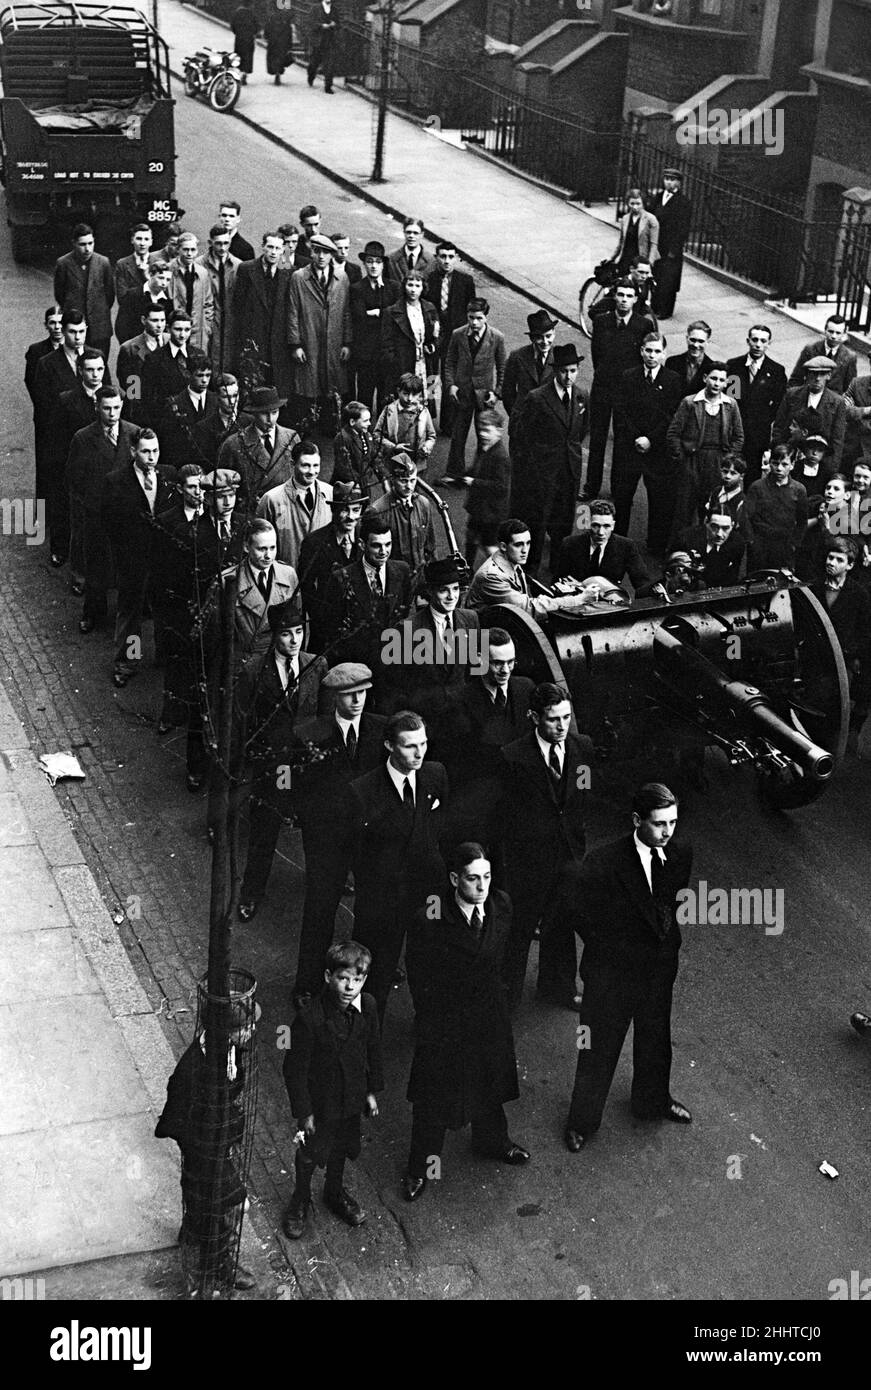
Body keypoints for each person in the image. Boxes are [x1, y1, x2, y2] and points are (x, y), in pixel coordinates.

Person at [563, 783, 693, 1152]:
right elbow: (577, 913)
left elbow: (673, 901)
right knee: (598, 1049)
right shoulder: (605, 863)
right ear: (637, 821)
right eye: (658, 824)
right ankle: (582, 1122)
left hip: (657, 969)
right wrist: (613, 947)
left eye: (673, 822)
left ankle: (652, 1101)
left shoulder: (680, 851)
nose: (667, 833)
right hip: (612, 974)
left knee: (655, 1039)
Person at [402, 843, 529, 1203]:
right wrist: (430, 1018)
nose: (482, 886)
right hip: (446, 1018)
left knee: (489, 1078)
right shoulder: (431, 916)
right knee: (434, 1095)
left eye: (487, 877)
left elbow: (506, 956)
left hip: (488, 1013)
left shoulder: (500, 905)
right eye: (473, 879)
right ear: (455, 878)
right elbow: (418, 973)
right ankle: (421, 1166)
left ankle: (492, 1141)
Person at [290, 666, 387, 1005]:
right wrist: (316, 832)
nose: (358, 699)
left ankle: (365, 973)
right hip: (328, 838)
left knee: (371, 906)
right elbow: (301, 793)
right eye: (349, 694)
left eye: (362, 692)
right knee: (320, 909)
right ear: (334, 696)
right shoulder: (311, 736)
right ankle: (307, 983)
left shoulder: (379, 728)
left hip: (367, 836)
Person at [154, 994, 260, 1292]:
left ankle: (197, 1235)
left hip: (216, 1139)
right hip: (203, 1145)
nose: (251, 1030)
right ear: (223, 1032)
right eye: (245, 1026)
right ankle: (214, 1262)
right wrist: (206, 1145)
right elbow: (179, 1116)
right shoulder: (193, 1070)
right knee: (234, 1204)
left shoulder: (228, 1051)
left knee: (209, 1201)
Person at [349, 711, 448, 1022]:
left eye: (423, 744)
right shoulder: (363, 791)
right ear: (390, 745)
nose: (419, 753)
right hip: (384, 899)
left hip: (426, 892)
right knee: (376, 977)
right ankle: (367, 1042)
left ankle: (428, 1023)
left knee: (428, 962)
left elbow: (438, 825)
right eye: (409, 746)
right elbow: (355, 852)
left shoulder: (435, 774)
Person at [282, 941, 383, 1239]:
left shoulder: (369, 1007)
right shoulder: (310, 1018)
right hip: (322, 1102)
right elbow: (295, 1068)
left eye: (358, 979)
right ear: (328, 976)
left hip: (350, 1098)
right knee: (310, 1154)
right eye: (343, 978)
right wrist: (305, 1112)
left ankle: (334, 1192)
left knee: (342, 1148)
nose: (350, 986)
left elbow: (372, 1050)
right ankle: (299, 1200)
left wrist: (370, 1091)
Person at [499, 683, 587, 1010]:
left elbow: (581, 796)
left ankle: (558, 988)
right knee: (518, 931)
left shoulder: (582, 748)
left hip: (567, 855)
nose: (562, 726)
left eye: (566, 717)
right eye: (553, 720)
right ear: (534, 717)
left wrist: (577, 847)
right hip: (528, 861)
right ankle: (506, 999)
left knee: (561, 923)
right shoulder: (513, 757)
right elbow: (504, 815)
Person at [236, 597, 325, 915]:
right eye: (287, 633)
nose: (294, 640)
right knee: (264, 831)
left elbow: (321, 716)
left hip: (305, 763)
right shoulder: (254, 671)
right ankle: (251, 891)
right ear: (274, 635)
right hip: (271, 764)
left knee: (316, 828)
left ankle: (325, 878)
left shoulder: (316, 664)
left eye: (299, 632)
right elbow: (243, 721)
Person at [440, 629, 533, 854]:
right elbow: (457, 762)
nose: (506, 670)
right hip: (484, 803)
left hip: (525, 797)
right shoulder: (459, 702)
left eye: (511, 662)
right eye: (498, 663)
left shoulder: (526, 688)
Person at [101, 427, 177, 688]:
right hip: (133, 561)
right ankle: (128, 661)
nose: (152, 456)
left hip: (163, 559)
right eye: (145, 451)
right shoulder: (116, 481)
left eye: (155, 451)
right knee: (132, 613)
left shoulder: (168, 476)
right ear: (133, 451)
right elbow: (109, 522)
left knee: (164, 609)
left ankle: (164, 655)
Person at [511, 343, 588, 572]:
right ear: (555, 371)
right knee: (538, 523)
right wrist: (532, 468)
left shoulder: (582, 396)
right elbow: (523, 435)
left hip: (569, 471)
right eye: (564, 371)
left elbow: (582, 431)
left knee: (563, 525)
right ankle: (529, 572)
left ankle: (558, 569)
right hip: (543, 474)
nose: (568, 376)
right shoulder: (537, 397)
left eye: (573, 371)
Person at [385, 556, 480, 743]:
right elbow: (394, 687)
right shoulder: (404, 629)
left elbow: (477, 670)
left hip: (464, 722)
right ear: (430, 591)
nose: (452, 597)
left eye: (455, 589)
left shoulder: (471, 619)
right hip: (425, 727)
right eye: (443, 590)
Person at [68, 386, 138, 635]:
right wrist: (91, 502)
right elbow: (74, 478)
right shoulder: (83, 438)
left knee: (128, 567)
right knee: (96, 567)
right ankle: (93, 614)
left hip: (126, 514)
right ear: (96, 407)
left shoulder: (133, 434)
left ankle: (129, 618)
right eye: (106, 408)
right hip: (97, 514)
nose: (112, 413)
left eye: (116, 407)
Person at [611, 331, 683, 553]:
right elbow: (621, 412)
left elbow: (671, 416)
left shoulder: (673, 380)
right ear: (641, 351)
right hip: (630, 449)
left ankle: (656, 546)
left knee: (659, 499)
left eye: (657, 351)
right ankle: (617, 541)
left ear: (664, 354)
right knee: (622, 498)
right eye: (648, 350)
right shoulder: (628, 376)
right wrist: (636, 438)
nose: (652, 355)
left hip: (657, 450)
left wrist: (651, 439)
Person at [318, 510, 412, 681]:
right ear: (362, 545)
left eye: (388, 544)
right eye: (376, 545)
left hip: (393, 667)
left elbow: (405, 616)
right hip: (358, 668)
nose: (384, 551)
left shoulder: (402, 571)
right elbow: (332, 631)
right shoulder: (341, 579)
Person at [585, 279, 651, 500]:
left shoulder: (643, 326)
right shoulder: (602, 321)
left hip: (626, 394)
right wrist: (603, 375)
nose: (624, 300)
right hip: (603, 388)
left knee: (622, 441)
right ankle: (591, 486)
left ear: (635, 299)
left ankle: (616, 488)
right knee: (597, 439)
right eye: (620, 295)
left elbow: (642, 360)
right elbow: (597, 355)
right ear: (615, 296)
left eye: (628, 296)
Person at [666, 361, 745, 536]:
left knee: (712, 510)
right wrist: (682, 459)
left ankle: (705, 551)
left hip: (718, 464)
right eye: (713, 378)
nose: (717, 383)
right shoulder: (690, 403)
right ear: (705, 378)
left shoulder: (731, 405)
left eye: (721, 380)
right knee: (684, 511)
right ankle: (679, 553)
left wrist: (728, 461)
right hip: (692, 462)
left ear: (726, 383)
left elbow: (739, 437)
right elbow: (673, 434)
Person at [287, 233, 352, 427]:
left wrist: (347, 342)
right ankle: (307, 424)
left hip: (334, 339)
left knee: (332, 381)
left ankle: (329, 424)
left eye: (326, 253)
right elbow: (293, 312)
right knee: (308, 382)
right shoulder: (299, 277)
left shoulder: (341, 278)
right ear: (311, 253)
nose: (321, 257)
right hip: (310, 337)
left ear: (332, 255)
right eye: (317, 252)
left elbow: (347, 311)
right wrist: (295, 344)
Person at [808, 537, 871, 730]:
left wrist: (852, 654)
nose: (831, 563)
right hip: (814, 661)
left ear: (850, 566)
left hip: (844, 663)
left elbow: (865, 632)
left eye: (839, 560)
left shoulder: (859, 594)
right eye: (830, 557)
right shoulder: (813, 589)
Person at [297, 482, 367, 653]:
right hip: (326, 632)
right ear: (334, 510)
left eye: (356, 510)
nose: (351, 517)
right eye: (345, 510)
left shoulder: (365, 539)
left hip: (360, 629)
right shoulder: (315, 543)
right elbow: (305, 587)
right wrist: (321, 617)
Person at [443, 298, 506, 483]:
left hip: (484, 396)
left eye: (479, 318)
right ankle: (454, 473)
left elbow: (502, 367)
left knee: (484, 435)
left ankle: (480, 475)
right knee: (458, 435)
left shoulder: (497, 338)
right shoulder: (458, 334)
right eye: (471, 318)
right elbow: (449, 362)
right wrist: (451, 384)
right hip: (462, 393)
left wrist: (497, 392)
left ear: (486, 317)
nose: (474, 323)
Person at [465, 517, 570, 618]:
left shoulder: (512, 561)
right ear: (503, 546)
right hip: (486, 632)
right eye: (518, 545)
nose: (525, 550)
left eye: (528, 543)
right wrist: (576, 600)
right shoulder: (491, 576)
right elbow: (528, 609)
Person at [232, 231, 293, 400]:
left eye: (278, 248)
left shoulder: (288, 272)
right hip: (253, 338)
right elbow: (238, 306)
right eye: (270, 247)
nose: (273, 252)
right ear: (263, 247)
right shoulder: (247, 268)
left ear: (283, 251)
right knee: (252, 387)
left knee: (276, 387)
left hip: (277, 341)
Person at [724, 326, 788, 487]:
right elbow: (732, 398)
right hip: (735, 430)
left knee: (752, 473)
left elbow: (779, 404)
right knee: (730, 469)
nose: (758, 345)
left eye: (763, 341)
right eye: (754, 340)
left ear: (769, 343)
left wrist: (764, 420)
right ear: (748, 341)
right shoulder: (734, 366)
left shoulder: (776, 371)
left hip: (758, 433)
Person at [555, 499, 659, 596]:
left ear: (613, 525)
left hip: (609, 603)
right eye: (595, 525)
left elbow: (642, 582)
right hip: (577, 602)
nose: (601, 532)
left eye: (606, 526)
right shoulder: (570, 544)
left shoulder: (626, 546)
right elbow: (558, 581)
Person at [256, 439, 333, 569]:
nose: (312, 471)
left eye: (316, 466)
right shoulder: (272, 500)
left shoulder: (330, 493)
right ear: (292, 465)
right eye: (305, 465)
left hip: (323, 578)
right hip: (287, 577)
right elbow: (258, 542)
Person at [217, 385, 300, 504]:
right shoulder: (234, 444)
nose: (270, 419)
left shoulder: (292, 438)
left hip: (287, 507)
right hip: (252, 513)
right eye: (264, 414)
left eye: (274, 412)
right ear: (254, 414)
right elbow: (223, 486)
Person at [424, 242, 476, 432]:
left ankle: (448, 421)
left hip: (455, 336)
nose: (446, 261)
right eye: (443, 256)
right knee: (430, 377)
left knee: (450, 378)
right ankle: (427, 417)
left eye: (450, 257)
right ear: (437, 257)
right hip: (434, 336)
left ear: (456, 258)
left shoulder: (465, 281)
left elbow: (472, 310)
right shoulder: (429, 279)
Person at [233, 520, 299, 663]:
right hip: (246, 666)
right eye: (262, 549)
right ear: (246, 547)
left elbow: (298, 623)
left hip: (280, 660)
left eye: (272, 548)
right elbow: (219, 638)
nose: (268, 555)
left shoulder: (288, 575)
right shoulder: (230, 581)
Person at [53, 223, 114, 361]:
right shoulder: (63, 264)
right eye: (82, 244)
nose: (87, 249)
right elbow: (60, 295)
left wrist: (97, 312)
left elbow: (109, 296)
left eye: (90, 243)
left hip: (100, 329)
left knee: (98, 368)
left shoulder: (103, 262)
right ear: (74, 243)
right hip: (76, 328)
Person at [772, 355, 847, 467]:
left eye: (822, 374)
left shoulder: (837, 402)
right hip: (790, 456)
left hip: (819, 460)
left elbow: (837, 440)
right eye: (813, 373)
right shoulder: (792, 395)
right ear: (807, 374)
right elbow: (779, 426)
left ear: (829, 375)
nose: (817, 378)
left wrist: (831, 467)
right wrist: (779, 454)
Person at [349, 240, 397, 412]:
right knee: (365, 397)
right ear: (364, 263)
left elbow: (396, 316)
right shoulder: (357, 288)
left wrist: (377, 312)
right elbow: (359, 316)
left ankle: (384, 433)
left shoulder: (393, 288)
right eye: (369, 262)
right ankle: (364, 433)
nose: (373, 266)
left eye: (377, 262)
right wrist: (384, 313)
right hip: (366, 355)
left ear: (383, 264)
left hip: (387, 354)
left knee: (387, 397)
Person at [744, 444, 808, 570]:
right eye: (775, 463)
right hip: (760, 545)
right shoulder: (757, 487)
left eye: (784, 464)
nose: (779, 468)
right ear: (770, 463)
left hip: (784, 546)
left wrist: (794, 544)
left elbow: (802, 521)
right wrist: (752, 541)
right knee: (757, 581)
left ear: (792, 465)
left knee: (781, 584)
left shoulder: (799, 490)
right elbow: (746, 517)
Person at [371, 452, 437, 570]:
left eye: (412, 480)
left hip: (420, 576)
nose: (409, 487)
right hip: (394, 578)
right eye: (403, 481)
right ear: (392, 480)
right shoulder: (378, 510)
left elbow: (430, 546)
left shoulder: (423, 504)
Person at [25, 305, 64, 504]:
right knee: (45, 464)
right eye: (52, 323)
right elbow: (32, 384)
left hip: (70, 416)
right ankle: (43, 512)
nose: (57, 327)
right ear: (46, 326)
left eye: (60, 323)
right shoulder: (36, 351)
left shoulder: (77, 349)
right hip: (46, 417)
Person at [464, 409, 511, 569]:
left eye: (487, 430)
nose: (483, 434)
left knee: (489, 544)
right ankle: (467, 568)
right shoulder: (486, 447)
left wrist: (473, 482)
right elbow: (478, 467)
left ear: (499, 431)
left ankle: (503, 571)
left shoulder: (500, 456)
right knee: (471, 536)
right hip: (480, 508)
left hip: (491, 512)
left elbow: (501, 487)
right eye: (481, 430)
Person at [381, 270, 439, 398]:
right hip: (403, 364)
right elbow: (386, 343)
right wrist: (395, 363)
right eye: (410, 285)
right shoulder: (392, 311)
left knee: (426, 399)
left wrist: (432, 346)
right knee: (406, 401)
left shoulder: (430, 309)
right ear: (404, 286)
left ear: (423, 288)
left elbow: (436, 335)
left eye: (417, 286)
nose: (413, 290)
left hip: (425, 364)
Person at [159, 349, 217, 471]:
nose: (205, 380)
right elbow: (168, 443)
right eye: (200, 375)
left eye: (208, 375)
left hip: (212, 467)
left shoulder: (216, 401)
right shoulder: (174, 403)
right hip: (185, 468)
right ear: (188, 374)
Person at [501, 309, 557, 428]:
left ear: (554, 334)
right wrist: (516, 416)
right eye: (539, 338)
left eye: (549, 336)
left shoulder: (560, 357)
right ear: (531, 338)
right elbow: (507, 391)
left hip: (548, 427)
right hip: (522, 425)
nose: (545, 342)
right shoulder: (517, 356)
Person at [648, 167, 691, 318]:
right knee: (655, 275)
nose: (669, 182)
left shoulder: (683, 202)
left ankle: (665, 310)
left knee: (668, 280)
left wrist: (674, 249)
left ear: (679, 183)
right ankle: (654, 307)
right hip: (656, 244)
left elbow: (683, 228)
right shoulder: (658, 197)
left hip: (671, 247)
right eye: (666, 179)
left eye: (672, 180)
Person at [140, 309, 193, 432]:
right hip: (166, 424)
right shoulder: (154, 359)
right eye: (178, 329)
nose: (182, 335)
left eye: (187, 330)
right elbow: (147, 397)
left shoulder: (198, 355)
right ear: (168, 329)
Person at [199, 225, 241, 376]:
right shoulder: (199, 265)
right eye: (218, 243)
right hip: (207, 322)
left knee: (229, 361)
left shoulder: (238, 266)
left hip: (230, 322)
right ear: (210, 243)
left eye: (226, 243)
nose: (222, 248)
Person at [372, 373, 436, 470]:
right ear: (398, 391)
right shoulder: (389, 410)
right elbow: (377, 434)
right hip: (393, 461)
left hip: (417, 462)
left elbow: (431, 436)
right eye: (405, 394)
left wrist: (426, 447)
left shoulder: (423, 411)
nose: (410, 398)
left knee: (413, 483)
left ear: (419, 394)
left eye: (414, 395)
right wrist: (393, 447)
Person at [117, 303, 167, 426]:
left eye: (162, 320)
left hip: (168, 410)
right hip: (143, 411)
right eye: (154, 320)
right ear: (144, 320)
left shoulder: (171, 342)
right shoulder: (129, 348)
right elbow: (130, 387)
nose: (159, 325)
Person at [193, 372, 252, 471]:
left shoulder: (250, 422)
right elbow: (205, 462)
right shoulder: (203, 428)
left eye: (235, 396)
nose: (232, 402)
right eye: (226, 397)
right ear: (216, 397)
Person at [789, 316, 857, 396]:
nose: (834, 336)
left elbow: (850, 388)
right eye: (831, 332)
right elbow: (796, 379)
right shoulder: (810, 350)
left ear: (844, 334)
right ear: (825, 330)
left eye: (838, 333)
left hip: (832, 404)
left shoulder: (849, 357)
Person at [677, 509, 746, 587]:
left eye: (725, 528)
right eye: (714, 527)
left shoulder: (737, 543)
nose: (719, 534)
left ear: (732, 525)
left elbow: (733, 578)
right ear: (706, 522)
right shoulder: (686, 539)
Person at [114, 223, 154, 345]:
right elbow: (122, 297)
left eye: (146, 239)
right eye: (139, 238)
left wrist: (148, 278)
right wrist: (148, 285)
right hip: (128, 324)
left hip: (152, 323)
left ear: (151, 242)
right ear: (132, 240)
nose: (142, 243)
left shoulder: (158, 263)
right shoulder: (123, 264)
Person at [612, 188, 659, 275]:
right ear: (628, 203)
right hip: (625, 258)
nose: (635, 207)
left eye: (638, 204)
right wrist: (612, 257)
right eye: (632, 203)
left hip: (641, 261)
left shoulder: (651, 219)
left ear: (643, 203)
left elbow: (654, 244)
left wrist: (649, 263)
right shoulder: (625, 219)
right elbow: (621, 242)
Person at [332, 401, 376, 491]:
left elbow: (373, 456)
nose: (369, 424)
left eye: (369, 420)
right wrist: (357, 482)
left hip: (363, 483)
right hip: (347, 486)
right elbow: (344, 467)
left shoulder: (366, 435)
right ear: (352, 422)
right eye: (365, 421)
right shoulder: (342, 438)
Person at [666, 321, 715, 397]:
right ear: (687, 339)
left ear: (708, 342)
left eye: (701, 341)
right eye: (693, 340)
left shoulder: (712, 368)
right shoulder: (672, 362)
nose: (696, 345)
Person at [386, 216, 434, 285]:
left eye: (415, 233)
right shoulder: (391, 258)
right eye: (408, 232)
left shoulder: (431, 260)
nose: (411, 236)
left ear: (422, 235)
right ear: (404, 233)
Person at [307, 0, 341, 94]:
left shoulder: (335, 10)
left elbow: (339, 24)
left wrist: (335, 25)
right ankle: (311, 76)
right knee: (314, 63)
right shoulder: (315, 9)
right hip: (318, 42)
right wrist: (321, 26)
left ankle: (328, 86)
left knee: (329, 64)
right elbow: (310, 23)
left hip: (330, 41)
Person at [230, 0, 258, 84]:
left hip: (239, 38)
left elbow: (233, 25)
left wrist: (237, 33)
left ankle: (238, 73)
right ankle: (245, 73)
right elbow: (256, 26)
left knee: (239, 56)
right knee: (248, 57)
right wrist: (253, 33)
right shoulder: (252, 14)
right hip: (249, 39)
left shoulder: (237, 12)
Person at [265, 0, 293, 84]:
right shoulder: (286, 15)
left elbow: (268, 25)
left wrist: (267, 35)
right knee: (281, 55)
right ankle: (278, 72)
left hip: (273, 37)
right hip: (283, 36)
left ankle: (275, 71)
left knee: (273, 55)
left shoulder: (272, 16)